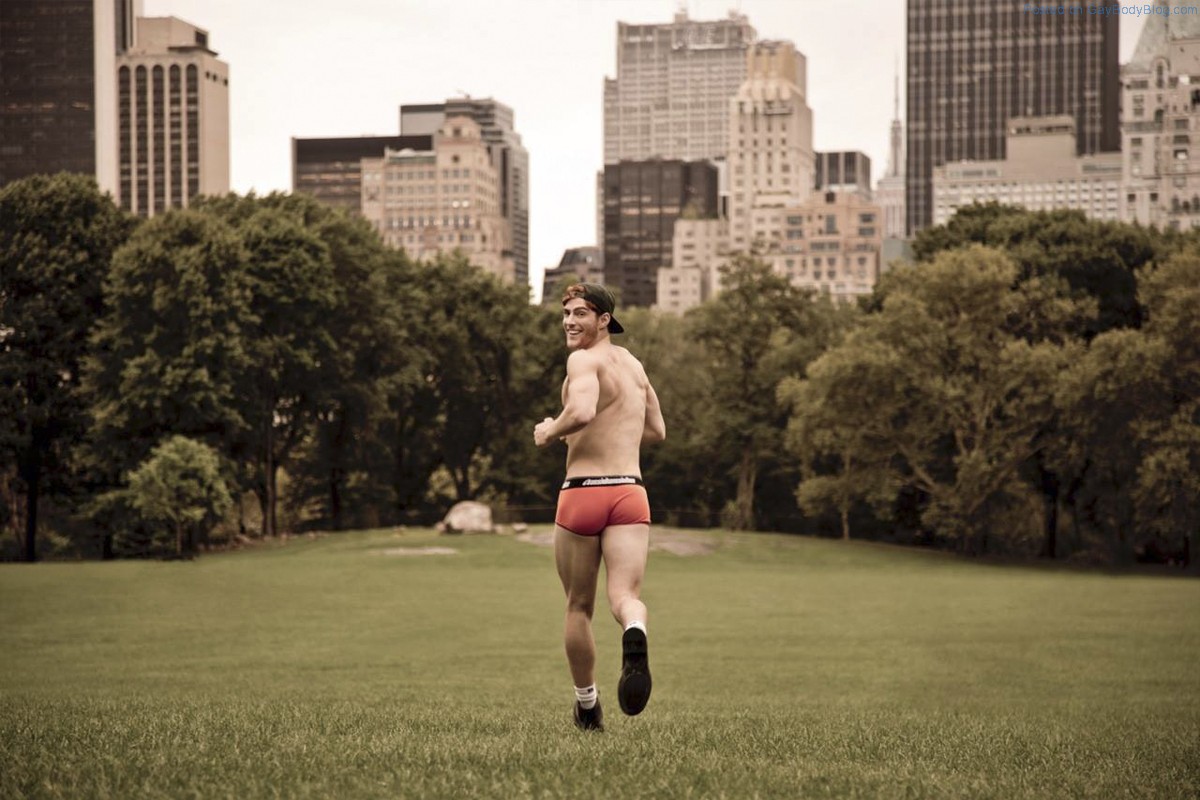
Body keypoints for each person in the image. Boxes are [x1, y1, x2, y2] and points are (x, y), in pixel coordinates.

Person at [534, 282, 666, 732]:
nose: (570, 322)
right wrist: (618, 431)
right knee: (625, 598)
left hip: (584, 491)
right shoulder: (634, 366)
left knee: (578, 606)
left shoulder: (583, 360)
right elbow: (657, 430)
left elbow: (583, 412)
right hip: (629, 491)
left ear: (604, 320)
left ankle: (587, 707)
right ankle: (635, 631)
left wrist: (550, 431)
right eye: (566, 313)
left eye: (581, 314)